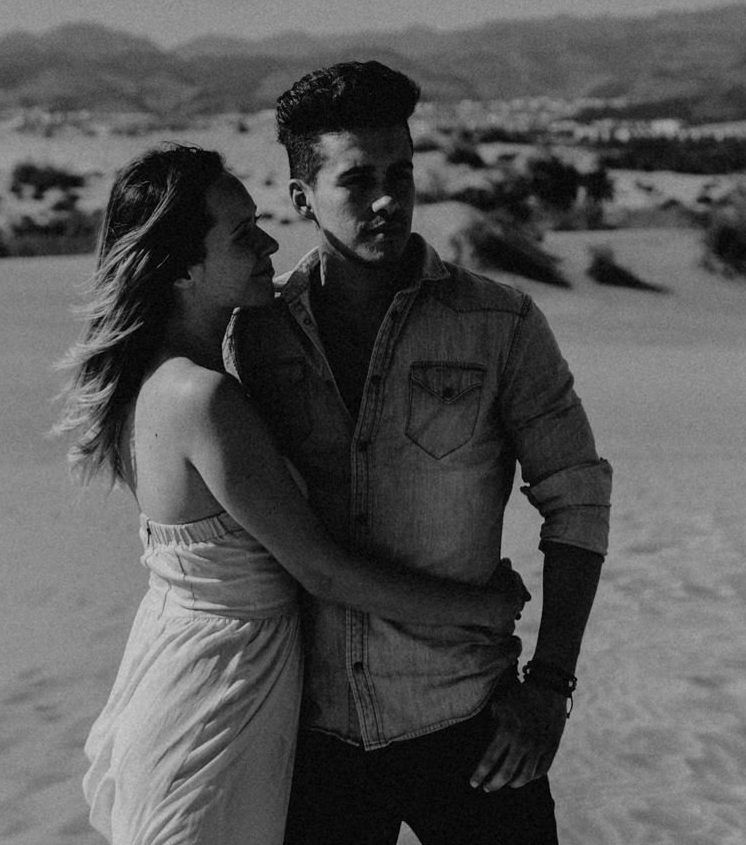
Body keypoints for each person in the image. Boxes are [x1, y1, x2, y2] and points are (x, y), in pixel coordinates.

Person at [66, 144, 529, 845]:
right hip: (218, 701)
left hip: (204, 674)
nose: (270, 242)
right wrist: (482, 608)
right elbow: (322, 570)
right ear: (181, 266)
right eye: (242, 234)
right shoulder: (205, 398)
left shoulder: (157, 381)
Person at [229, 62, 612, 845]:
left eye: (401, 174)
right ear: (302, 198)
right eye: (358, 179)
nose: (386, 199)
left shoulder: (499, 323)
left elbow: (578, 499)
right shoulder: (259, 334)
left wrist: (550, 687)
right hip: (311, 737)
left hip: (472, 726)